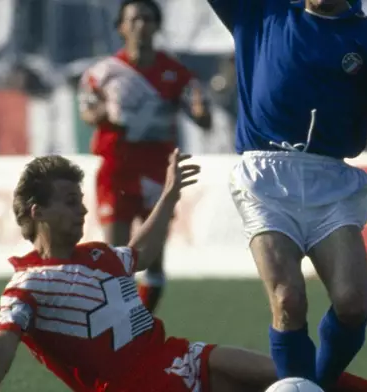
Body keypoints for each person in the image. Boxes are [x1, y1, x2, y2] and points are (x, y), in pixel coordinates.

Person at [0, 153, 367, 392]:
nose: (82, 208)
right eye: (68, 201)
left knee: (300, 380)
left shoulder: (97, 256)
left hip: (178, 356)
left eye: (81, 199)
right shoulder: (27, 284)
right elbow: (3, 337)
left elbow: (140, 251)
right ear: (37, 211)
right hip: (136, 389)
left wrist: (170, 194)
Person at [208, 0, 367, 389]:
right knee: (288, 300)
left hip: (332, 183)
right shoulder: (259, 13)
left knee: (352, 304)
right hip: (265, 178)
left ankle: (315, 386)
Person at [79, 0, 212, 313]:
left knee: (152, 260)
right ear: (121, 27)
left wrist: (200, 111)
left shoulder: (175, 72)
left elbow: (202, 118)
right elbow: (87, 111)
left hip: (157, 171)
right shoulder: (104, 73)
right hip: (117, 168)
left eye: (148, 18)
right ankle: (115, 328)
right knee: (116, 257)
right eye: (134, 18)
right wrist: (104, 112)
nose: (141, 25)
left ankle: (139, 324)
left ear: (157, 25)